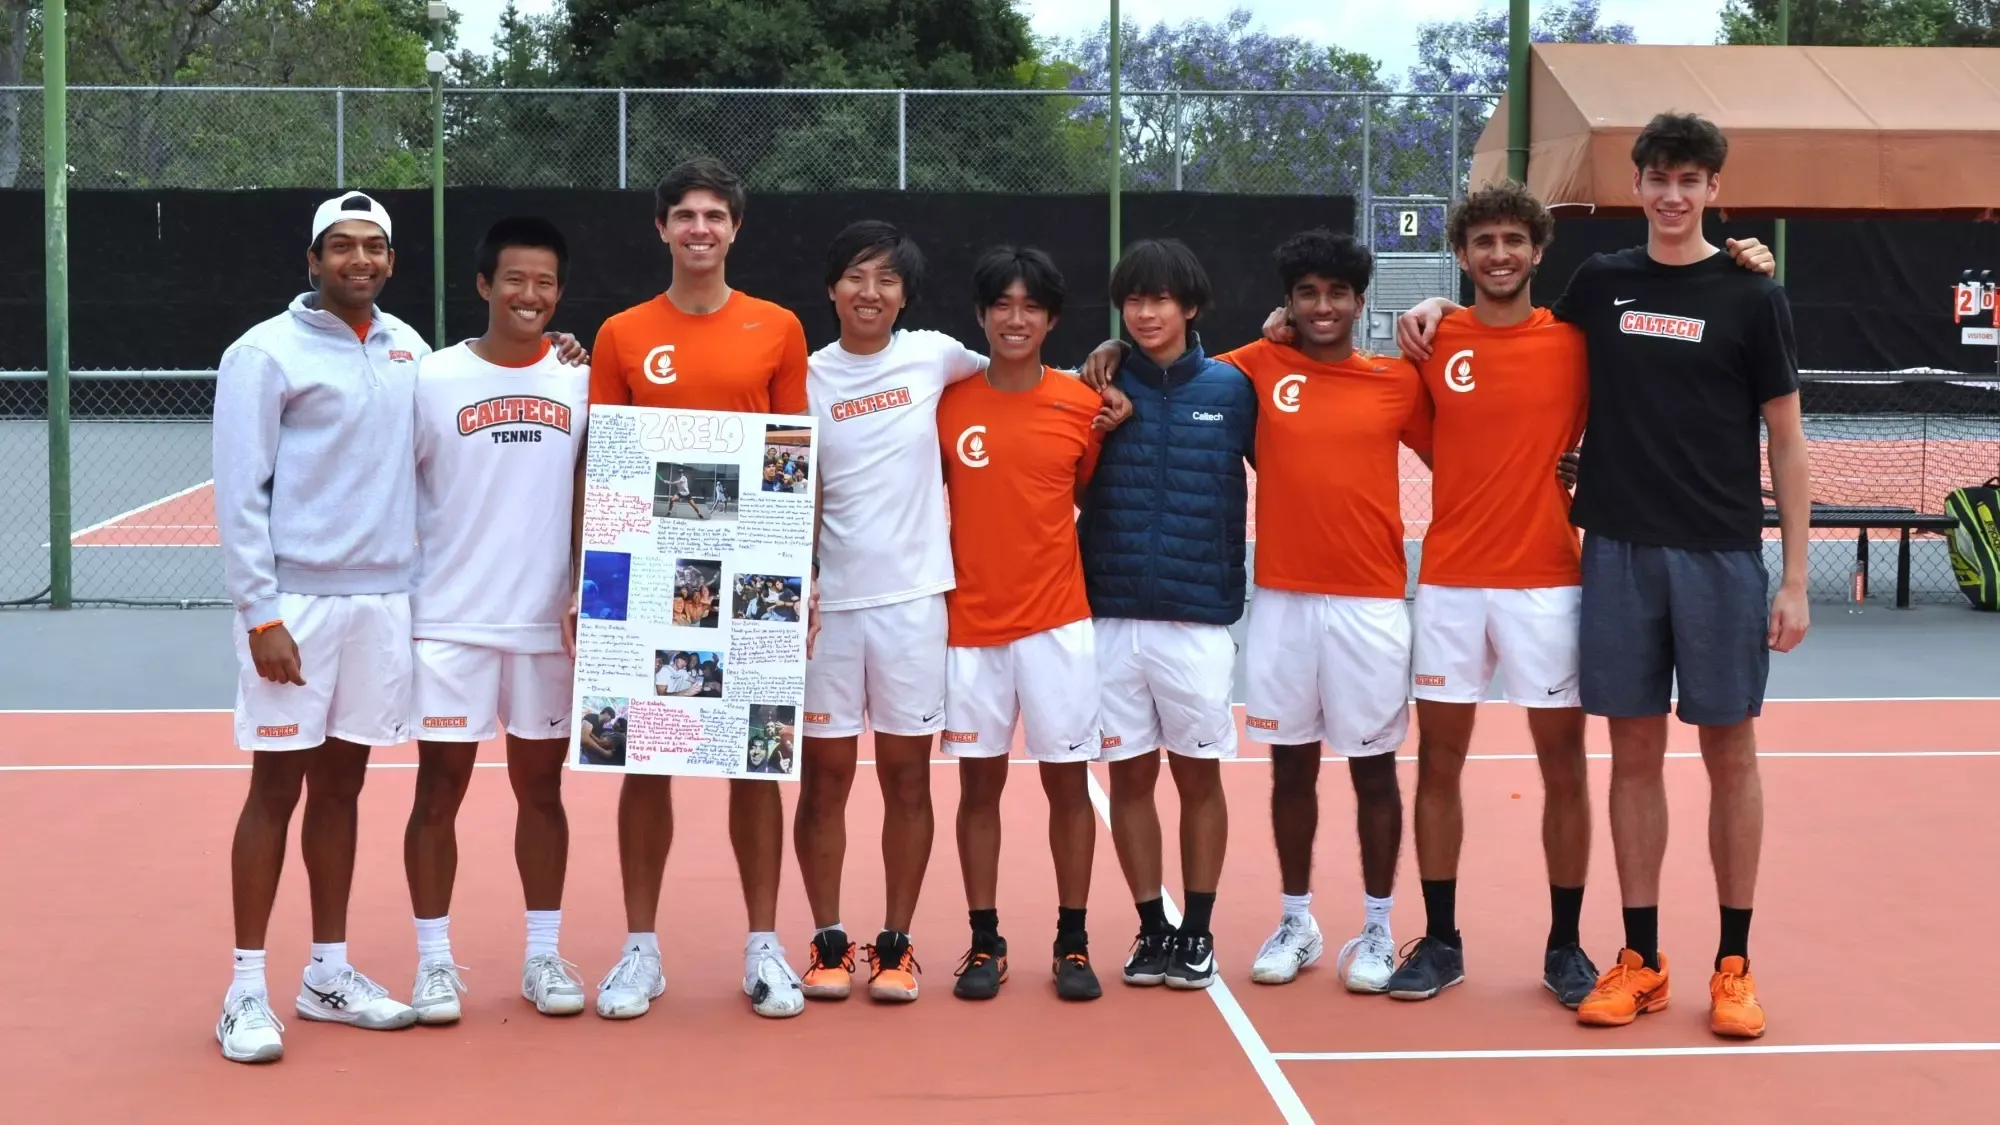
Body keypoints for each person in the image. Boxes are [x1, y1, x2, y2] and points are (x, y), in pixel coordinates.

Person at [1398, 113, 1804, 1038]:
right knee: (1630, 756)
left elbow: (1786, 435)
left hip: (1721, 552)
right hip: (1613, 552)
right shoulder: (1600, 285)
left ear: (1711, 190)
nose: (1672, 194)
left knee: (1729, 752)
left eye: (1690, 180)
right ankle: (1640, 957)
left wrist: (1793, 578)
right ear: (1637, 186)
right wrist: (1426, 308)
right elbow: (1503, 337)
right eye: (1658, 178)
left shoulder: (1752, 294)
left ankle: (1733, 963)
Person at [793, 221, 1127, 1005]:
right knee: (825, 781)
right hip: (830, 609)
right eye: (855, 277)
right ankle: (833, 939)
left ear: (907, 296)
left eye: (886, 280)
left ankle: (903, 944)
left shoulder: (935, 359)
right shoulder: (804, 375)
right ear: (832, 288)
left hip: (920, 608)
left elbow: (1038, 378)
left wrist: (1106, 362)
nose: (870, 292)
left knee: (914, 782)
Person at [581, 157, 816, 1021]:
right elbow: (606, 467)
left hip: (754, 574)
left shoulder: (779, 327)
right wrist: (592, 584)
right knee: (645, 756)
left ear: (735, 229)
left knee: (756, 760)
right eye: (684, 215)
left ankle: (764, 945)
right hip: (651, 578)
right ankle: (640, 949)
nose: (700, 230)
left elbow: (792, 457)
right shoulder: (620, 333)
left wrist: (804, 575)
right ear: (661, 229)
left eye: (715, 216)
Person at [210, 191, 427, 1063]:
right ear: (312, 261)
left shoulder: (411, 347)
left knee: (344, 789)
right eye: (342, 247)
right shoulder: (261, 354)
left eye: (374, 247)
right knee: (276, 791)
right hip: (292, 606)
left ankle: (327, 972)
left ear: (391, 261)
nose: (360, 260)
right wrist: (261, 612)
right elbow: (238, 494)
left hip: (382, 604)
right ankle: (246, 987)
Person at [1218, 229, 1432, 994]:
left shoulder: (1397, 382)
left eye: (1336, 293)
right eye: (1306, 293)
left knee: (1374, 772)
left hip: (1371, 605)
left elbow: (1461, 453)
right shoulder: (1259, 365)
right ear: (1289, 301)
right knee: (1291, 769)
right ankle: (1297, 919)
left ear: (1359, 301)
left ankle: (1377, 927)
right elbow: (1181, 372)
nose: (1322, 306)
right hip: (1280, 600)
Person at [402, 217, 591, 1023]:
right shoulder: (430, 379)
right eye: (515, 279)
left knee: (541, 789)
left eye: (545, 282)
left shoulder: (582, 378)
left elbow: (600, 487)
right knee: (438, 789)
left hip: (547, 624)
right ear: (483, 286)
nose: (531, 295)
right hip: (449, 618)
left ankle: (544, 954)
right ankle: (435, 963)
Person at [1075, 239, 1255, 991]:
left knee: (1199, 778)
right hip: (1111, 614)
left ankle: (1199, 930)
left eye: (1160, 299)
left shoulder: (1235, 389)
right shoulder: (1095, 390)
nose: (1146, 313)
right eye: (1133, 301)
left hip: (1197, 619)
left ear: (1191, 306)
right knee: (1129, 779)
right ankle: (1152, 927)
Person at [936, 247, 1110, 1003]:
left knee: (1068, 788)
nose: (1015, 318)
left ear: (1052, 319)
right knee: (980, 790)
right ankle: (984, 939)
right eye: (1001, 304)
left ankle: (1072, 940)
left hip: (1056, 626)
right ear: (979, 316)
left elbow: (1086, 490)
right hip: (969, 627)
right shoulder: (947, 403)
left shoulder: (1084, 405)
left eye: (1030, 306)